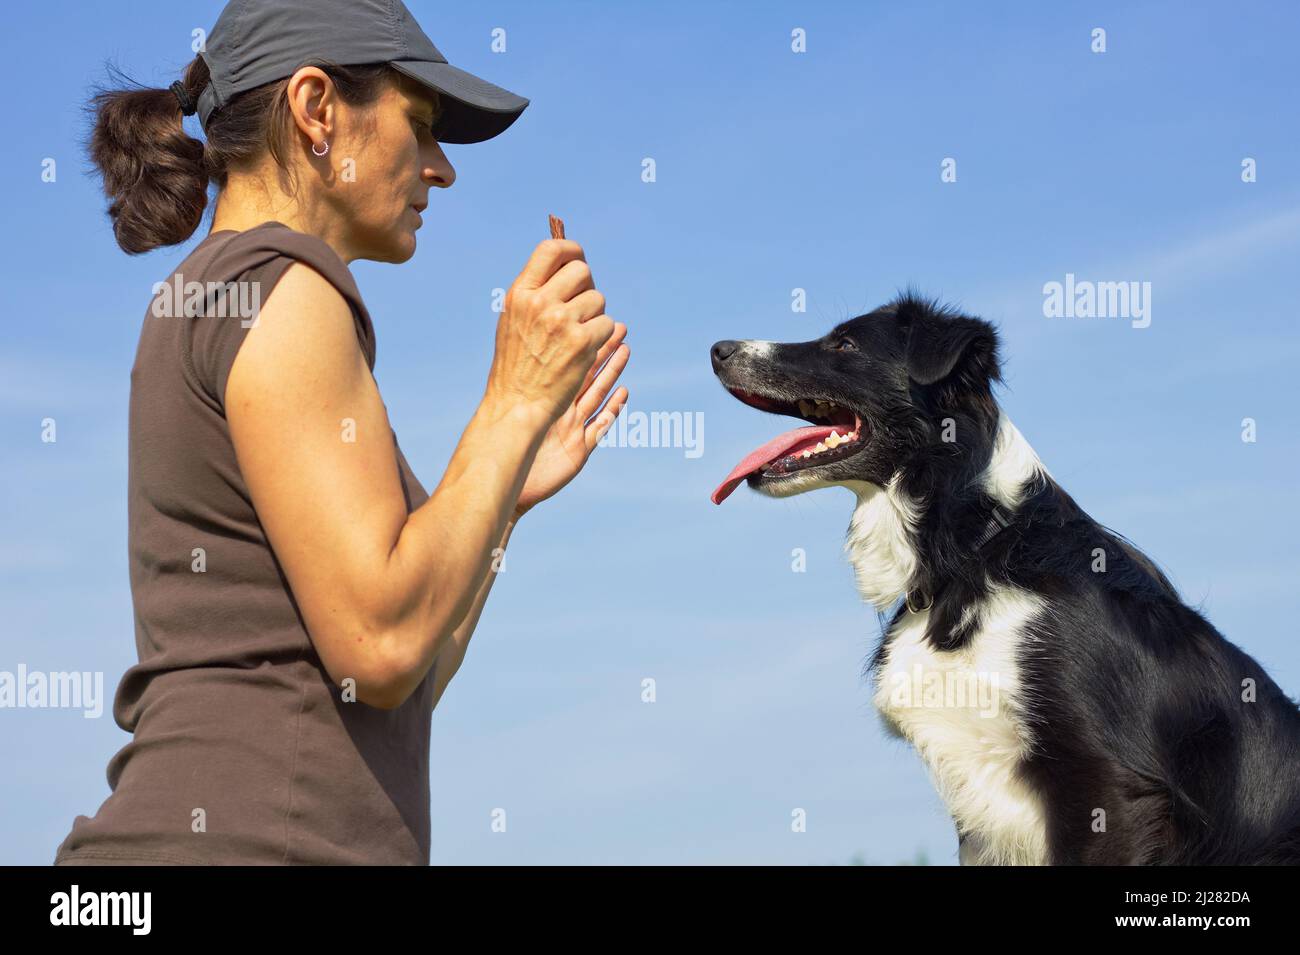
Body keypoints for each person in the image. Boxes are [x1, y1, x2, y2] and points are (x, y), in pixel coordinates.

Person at [54, 0, 628, 865]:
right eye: (421, 123)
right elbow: (382, 642)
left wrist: (506, 492)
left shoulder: (215, 291)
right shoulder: (285, 284)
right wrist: (509, 401)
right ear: (317, 109)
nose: (441, 169)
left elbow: (402, 676)